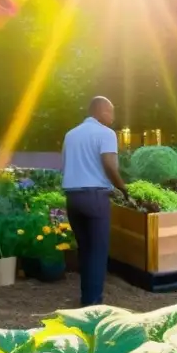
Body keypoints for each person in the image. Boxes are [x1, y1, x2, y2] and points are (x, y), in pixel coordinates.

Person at [61, 96, 129, 306]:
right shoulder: (106, 134)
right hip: (95, 198)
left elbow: (65, 164)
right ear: (100, 111)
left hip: (73, 198)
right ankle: (93, 304)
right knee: (98, 251)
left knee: (85, 250)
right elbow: (109, 164)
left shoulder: (70, 135)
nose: (113, 116)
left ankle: (86, 297)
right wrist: (123, 188)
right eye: (111, 111)